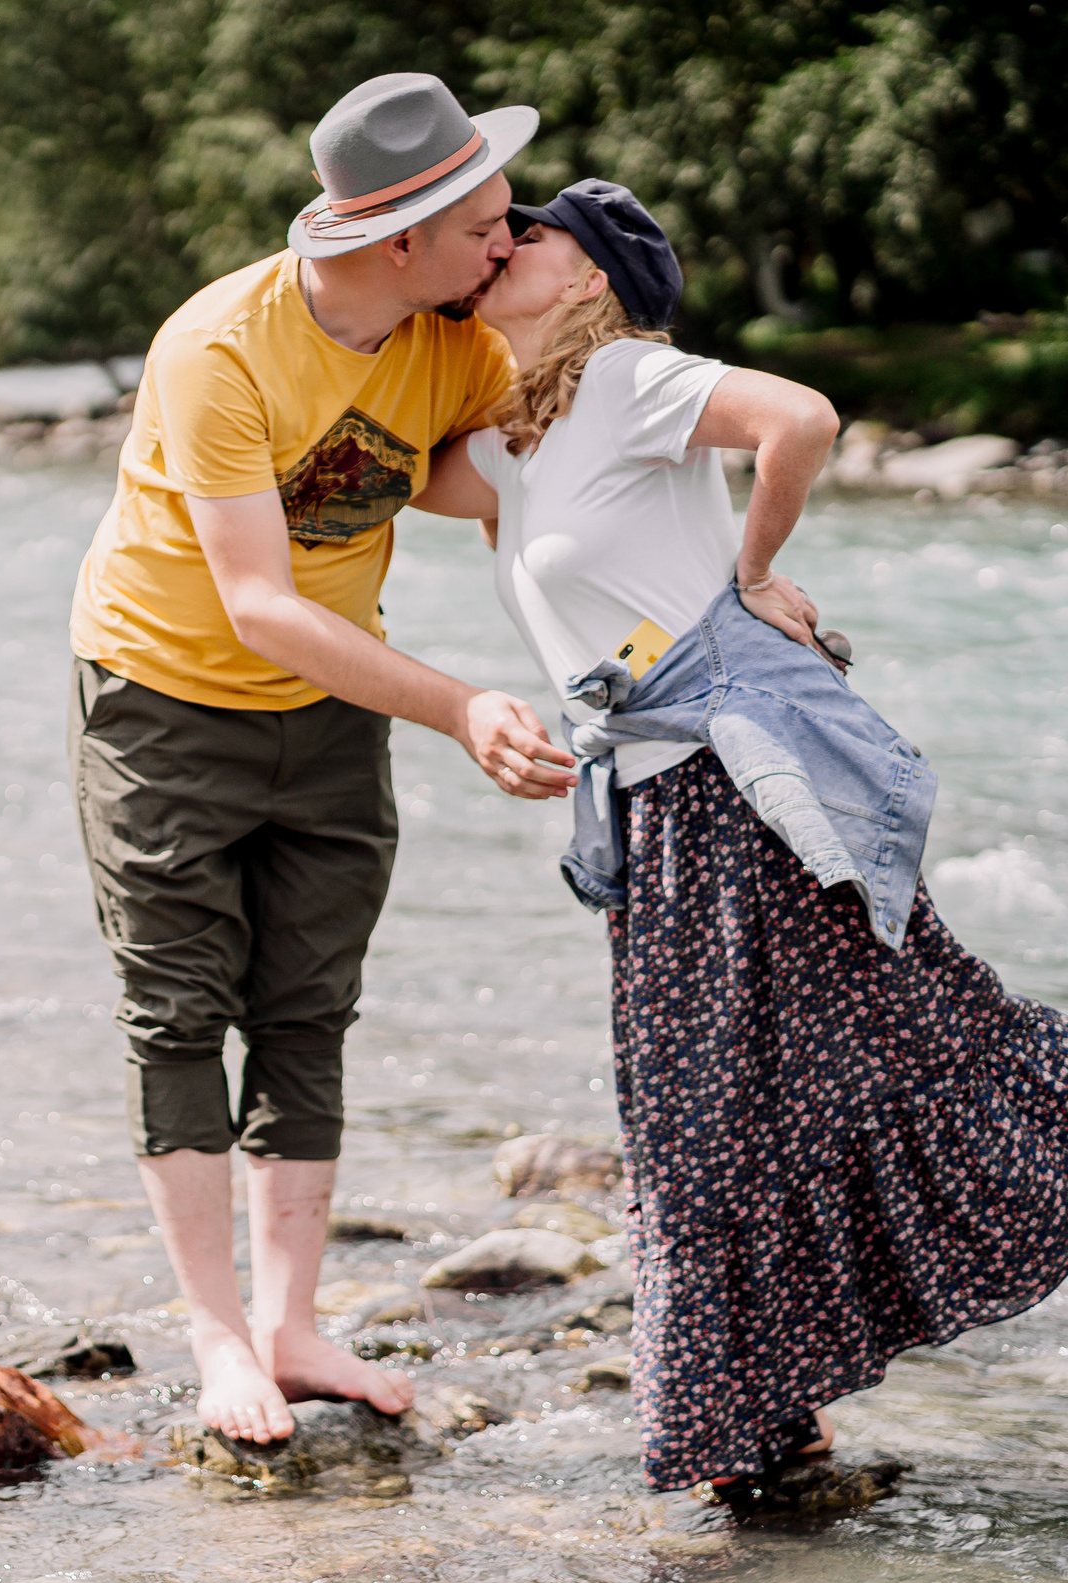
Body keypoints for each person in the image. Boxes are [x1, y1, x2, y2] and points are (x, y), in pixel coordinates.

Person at [416, 178, 1068, 1491]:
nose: (501, 245)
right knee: (723, 1114)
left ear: (591, 277)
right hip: (659, 810)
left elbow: (803, 417)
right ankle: (769, 1417)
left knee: (835, 1079)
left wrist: (756, 569)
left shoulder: (630, 383)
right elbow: (392, 471)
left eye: (525, 235)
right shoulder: (516, 438)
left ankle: (747, 1418)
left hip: (737, 790)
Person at [66, 72, 575, 1446]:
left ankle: (292, 1322)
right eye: (485, 219)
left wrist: (739, 580)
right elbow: (261, 605)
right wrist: (465, 704)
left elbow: (514, 494)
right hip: (163, 697)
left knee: (307, 1005)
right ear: (397, 237)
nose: (509, 240)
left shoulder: (449, 344)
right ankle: (217, 1329)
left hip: (333, 708)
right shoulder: (217, 348)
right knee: (179, 1011)